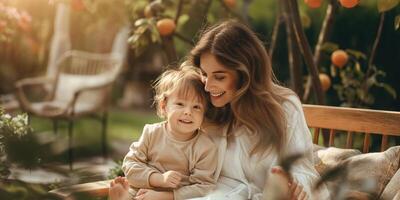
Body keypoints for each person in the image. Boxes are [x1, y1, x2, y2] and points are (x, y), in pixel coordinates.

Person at [185, 20, 330, 200]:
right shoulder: (202, 104)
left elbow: (302, 167)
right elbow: (170, 143)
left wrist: (295, 186)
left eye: (219, 77)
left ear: (246, 74)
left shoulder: (284, 107)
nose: (207, 87)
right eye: (204, 74)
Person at [109, 66, 218, 200]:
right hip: (142, 192)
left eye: (196, 107)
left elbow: (204, 186)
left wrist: (166, 196)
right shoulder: (152, 133)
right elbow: (130, 164)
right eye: (180, 104)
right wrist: (158, 179)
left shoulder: (205, 147)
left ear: (204, 112)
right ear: (164, 106)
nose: (188, 112)